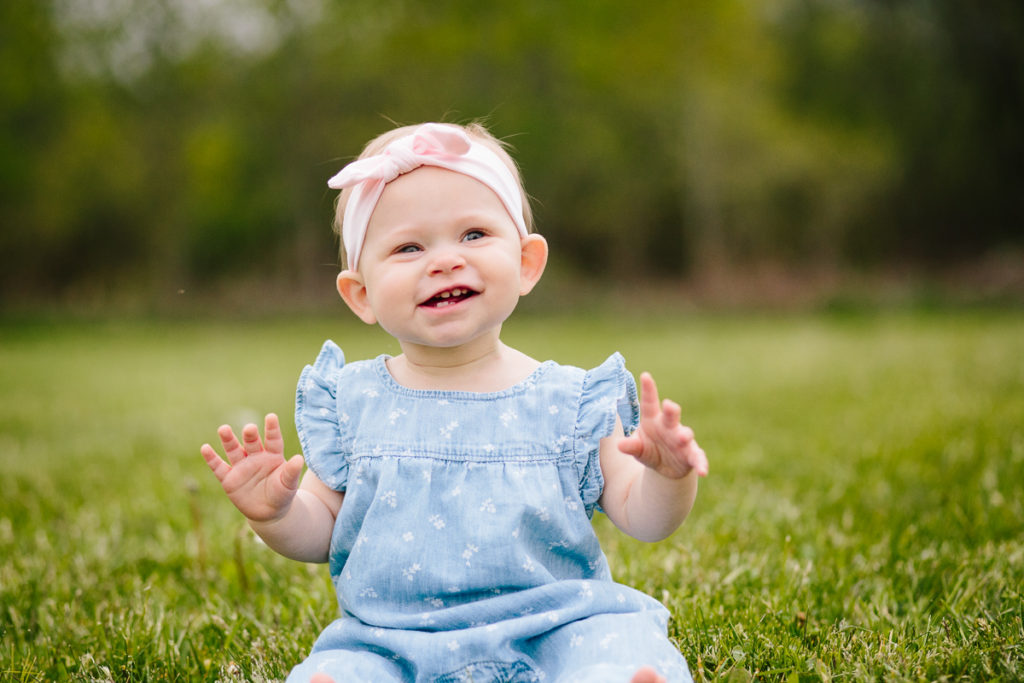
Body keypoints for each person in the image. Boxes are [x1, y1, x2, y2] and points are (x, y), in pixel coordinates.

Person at [201, 122, 708, 683]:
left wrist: (668, 477)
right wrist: (275, 515)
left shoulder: (571, 401)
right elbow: (321, 530)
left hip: (561, 628)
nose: (443, 261)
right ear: (361, 295)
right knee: (341, 674)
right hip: (391, 643)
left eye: (472, 235)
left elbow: (645, 518)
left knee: (616, 653)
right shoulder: (354, 404)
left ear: (526, 263)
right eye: (408, 247)